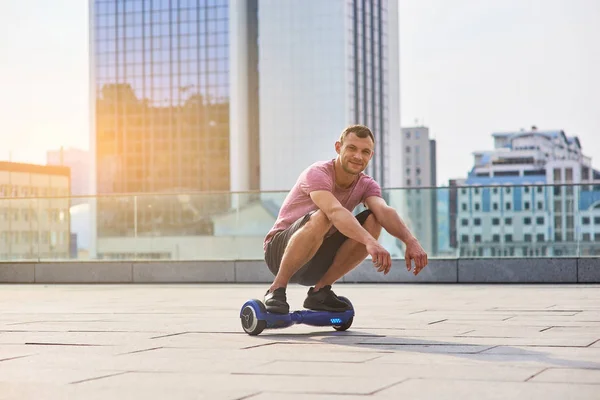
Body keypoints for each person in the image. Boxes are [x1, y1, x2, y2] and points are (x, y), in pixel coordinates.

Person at [262, 124, 429, 314]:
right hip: (279, 252)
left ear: (370, 156)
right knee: (324, 216)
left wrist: (410, 241)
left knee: (374, 219)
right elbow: (334, 211)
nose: (358, 156)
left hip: (317, 259)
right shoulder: (318, 173)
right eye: (351, 148)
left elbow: (384, 211)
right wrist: (369, 241)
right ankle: (276, 289)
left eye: (365, 151)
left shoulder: (366, 184)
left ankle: (320, 291)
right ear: (338, 147)